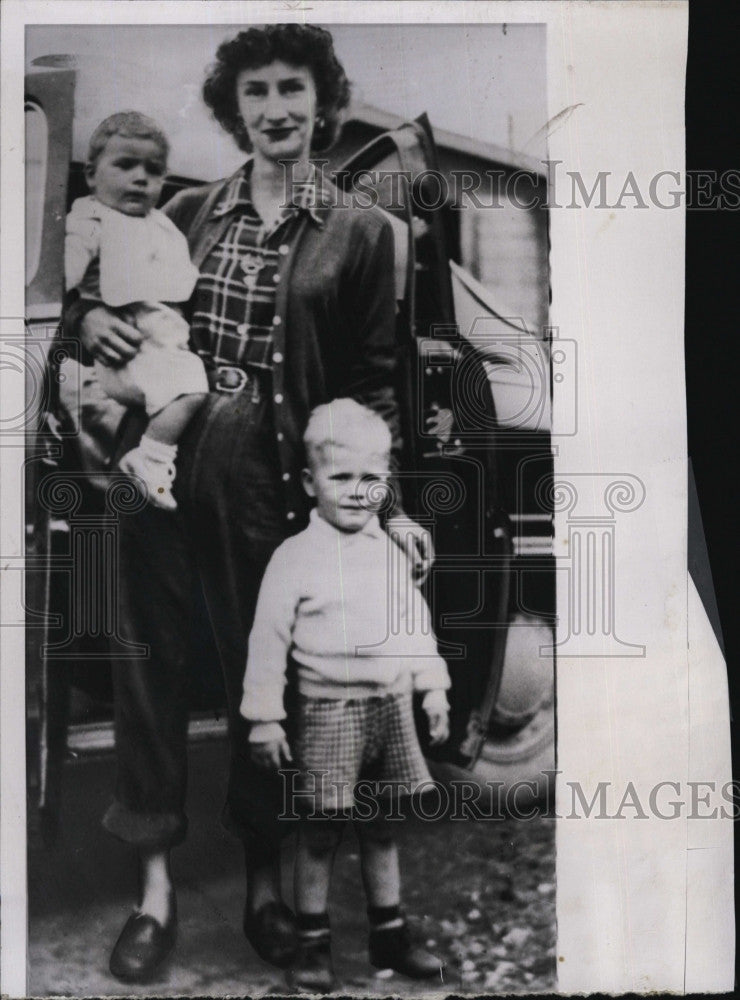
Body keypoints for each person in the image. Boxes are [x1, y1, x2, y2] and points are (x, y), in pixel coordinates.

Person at [64, 24, 433, 984]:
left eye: (293, 90)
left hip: (267, 495)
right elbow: (95, 300)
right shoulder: (184, 209)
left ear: (323, 101)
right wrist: (93, 318)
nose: (276, 108)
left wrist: (383, 505)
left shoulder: (360, 233)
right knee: (145, 681)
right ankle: (155, 894)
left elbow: (373, 383)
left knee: (257, 685)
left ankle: (265, 884)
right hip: (150, 484)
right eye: (258, 91)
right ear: (237, 107)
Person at [241, 399, 450, 992]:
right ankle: (313, 944)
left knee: (382, 827)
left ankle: (391, 933)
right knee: (321, 830)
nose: (358, 493)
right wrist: (264, 719)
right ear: (310, 482)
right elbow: (267, 641)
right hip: (328, 710)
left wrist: (432, 688)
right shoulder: (295, 558)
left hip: (390, 707)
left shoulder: (390, 552)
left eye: (372, 479)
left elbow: (415, 625)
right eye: (341, 477)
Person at [65, 112, 207, 510]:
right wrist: (79, 306)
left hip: (156, 347)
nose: (140, 177)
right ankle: (152, 457)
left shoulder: (162, 226)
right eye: (125, 165)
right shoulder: (91, 220)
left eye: (154, 170)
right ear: (92, 176)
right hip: (129, 349)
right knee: (191, 389)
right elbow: (64, 270)